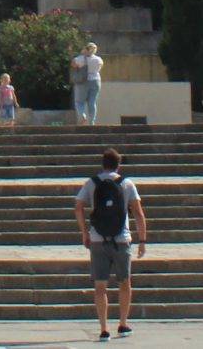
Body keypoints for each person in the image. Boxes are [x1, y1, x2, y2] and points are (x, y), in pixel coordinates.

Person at [74, 146, 146, 340]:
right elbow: (138, 213)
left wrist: (84, 233)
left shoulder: (92, 183)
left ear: (102, 164)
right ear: (118, 165)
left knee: (100, 286)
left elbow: (78, 207)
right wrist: (142, 240)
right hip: (122, 239)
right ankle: (122, 324)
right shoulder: (127, 184)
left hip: (97, 238)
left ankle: (104, 328)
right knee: (124, 282)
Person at [72, 43, 104, 125]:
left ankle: (82, 115)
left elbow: (73, 64)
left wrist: (82, 54)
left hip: (83, 81)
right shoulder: (98, 59)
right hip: (96, 80)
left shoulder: (80, 59)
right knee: (92, 102)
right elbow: (100, 67)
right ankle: (92, 121)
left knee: (79, 101)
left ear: (86, 49)